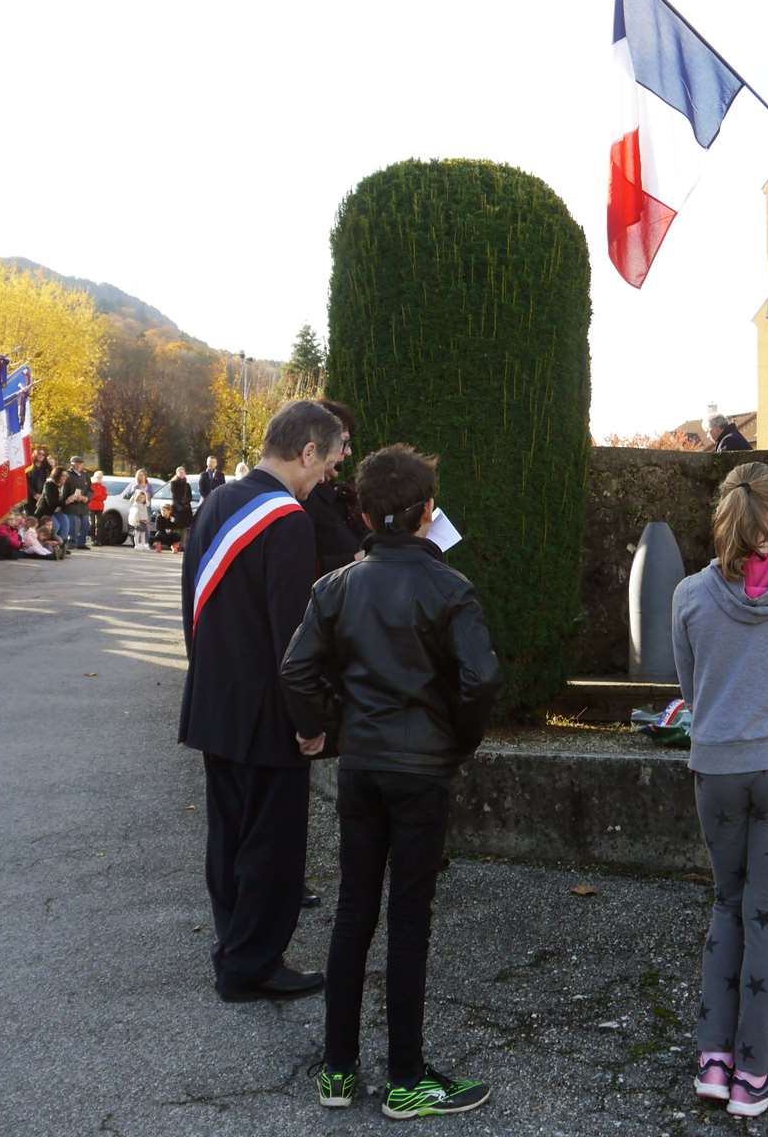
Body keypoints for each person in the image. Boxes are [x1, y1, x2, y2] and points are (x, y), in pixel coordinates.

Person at [282, 443, 503, 1119]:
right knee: (409, 918)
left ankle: (338, 1071)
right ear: (426, 513)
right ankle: (406, 1077)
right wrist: (455, 741)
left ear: (366, 511)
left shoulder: (337, 585)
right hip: (420, 768)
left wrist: (324, 728)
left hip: (362, 766)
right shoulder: (448, 587)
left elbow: (296, 670)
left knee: (353, 911)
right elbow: (480, 679)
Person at [670, 463, 768, 1118]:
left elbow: (689, 683)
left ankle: (713, 1057)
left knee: (726, 905)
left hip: (717, 766)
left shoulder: (689, 595)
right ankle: (755, 1070)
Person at [178, 399, 346, 1002]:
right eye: (328, 461)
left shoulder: (219, 501)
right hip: (268, 715)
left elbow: (191, 606)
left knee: (227, 840)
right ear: (306, 452)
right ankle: (252, 966)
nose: (329, 474)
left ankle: (233, 948)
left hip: (215, 703)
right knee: (272, 850)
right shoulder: (289, 521)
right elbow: (294, 637)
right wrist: (310, 721)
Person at [306, 399, 368, 574]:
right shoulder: (303, 499)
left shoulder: (335, 494)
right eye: (343, 443)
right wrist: (356, 560)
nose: (348, 452)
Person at [62, 456, 91, 549]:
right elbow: (63, 489)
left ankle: (81, 543)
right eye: (77, 463)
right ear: (72, 464)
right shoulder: (67, 474)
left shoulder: (85, 475)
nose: (79, 465)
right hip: (71, 504)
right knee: (73, 524)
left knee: (85, 523)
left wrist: (86, 497)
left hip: (83, 504)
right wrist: (70, 497)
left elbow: (90, 489)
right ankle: (72, 542)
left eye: (80, 464)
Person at [129, 471, 152, 550]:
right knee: (138, 527)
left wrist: (148, 495)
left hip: (146, 507)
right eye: (140, 475)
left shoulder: (148, 485)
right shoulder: (135, 485)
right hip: (137, 509)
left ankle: (145, 543)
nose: (142, 476)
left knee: (146, 526)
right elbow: (132, 495)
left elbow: (151, 494)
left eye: (143, 475)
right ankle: (137, 543)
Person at [26, 446, 52, 512]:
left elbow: (49, 483)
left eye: (43, 454)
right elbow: (25, 483)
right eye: (39, 453)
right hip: (30, 499)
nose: (41, 456)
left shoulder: (47, 469)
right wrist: (34, 494)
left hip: (43, 499)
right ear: (34, 454)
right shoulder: (28, 467)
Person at [170, 466, 194, 535]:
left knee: (186, 527)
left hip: (186, 508)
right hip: (177, 507)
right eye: (180, 472)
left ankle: (184, 544)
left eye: (182, 472)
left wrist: (186, 503)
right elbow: (175, 496)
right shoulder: (173, 483)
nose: (181, 474)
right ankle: (175, 543)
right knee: (177, 526)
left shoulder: (187, 485)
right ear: (177, 473)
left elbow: (190, 496)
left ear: (185, 473)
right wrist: (180, 505)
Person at [88, 471, 107, 543]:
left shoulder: (103, 487)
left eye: (100, 477)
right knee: (92, 524)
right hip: (91, 507)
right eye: (98, 477)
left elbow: (104, 497)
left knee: (99, 524)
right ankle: (93, 539)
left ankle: (98, 540)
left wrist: (97, 496)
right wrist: (98, 496)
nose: (99, 479)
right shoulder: (91, 486)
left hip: (100, 507)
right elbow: (91, 496)